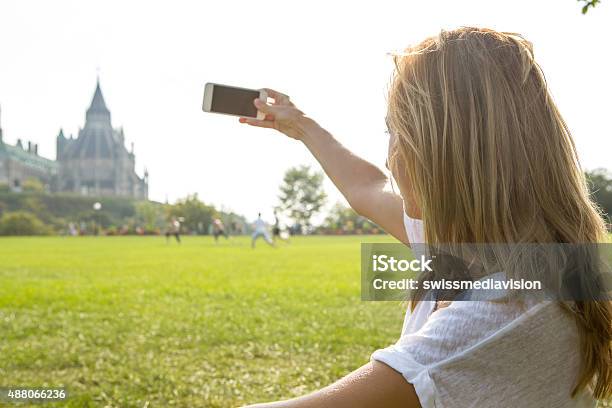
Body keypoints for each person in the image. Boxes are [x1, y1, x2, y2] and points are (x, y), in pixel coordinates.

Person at [238, 28, 611, 407]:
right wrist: (299, 125)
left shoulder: (502, 311)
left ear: (442, 155)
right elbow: (366, 189)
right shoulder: (473, 252)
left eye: (396, 131)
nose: (390, 155)